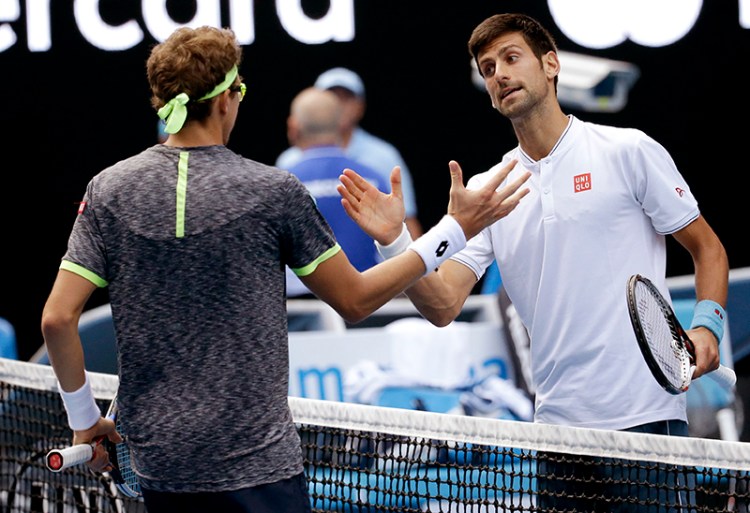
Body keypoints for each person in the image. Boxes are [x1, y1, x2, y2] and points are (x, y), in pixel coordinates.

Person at [39, 25, 530, 513]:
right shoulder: (271, 192)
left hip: (159, 472)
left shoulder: (108, 190)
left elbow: (57, 320)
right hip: (260, 474)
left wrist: (84, 419)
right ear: (229, 99)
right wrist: (454, 229)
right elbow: (355, 300)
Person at [337, 13, 729, 511]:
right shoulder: (486, 190)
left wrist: (707, 328)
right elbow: (441, 306)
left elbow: (707, 248)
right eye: (487, 68)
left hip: (646, 418)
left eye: (510, 58)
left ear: (550, 65)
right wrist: (395, 239)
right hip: (557, 435)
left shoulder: (627, 150)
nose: (498, 73)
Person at [276, 67, 424, 238]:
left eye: (347, 98)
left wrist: (416, 264)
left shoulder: (384, 155)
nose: (338, 103)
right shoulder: (288, 161)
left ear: (360, 106)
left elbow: (406, 220)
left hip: (375, 262)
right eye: (331, 96)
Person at [284, 86, 388, 299]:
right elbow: (396, 256)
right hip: (371, 309)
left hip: (304, 319)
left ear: (293, 127)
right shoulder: (374, 180)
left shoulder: (280, 186)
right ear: (341, 125)